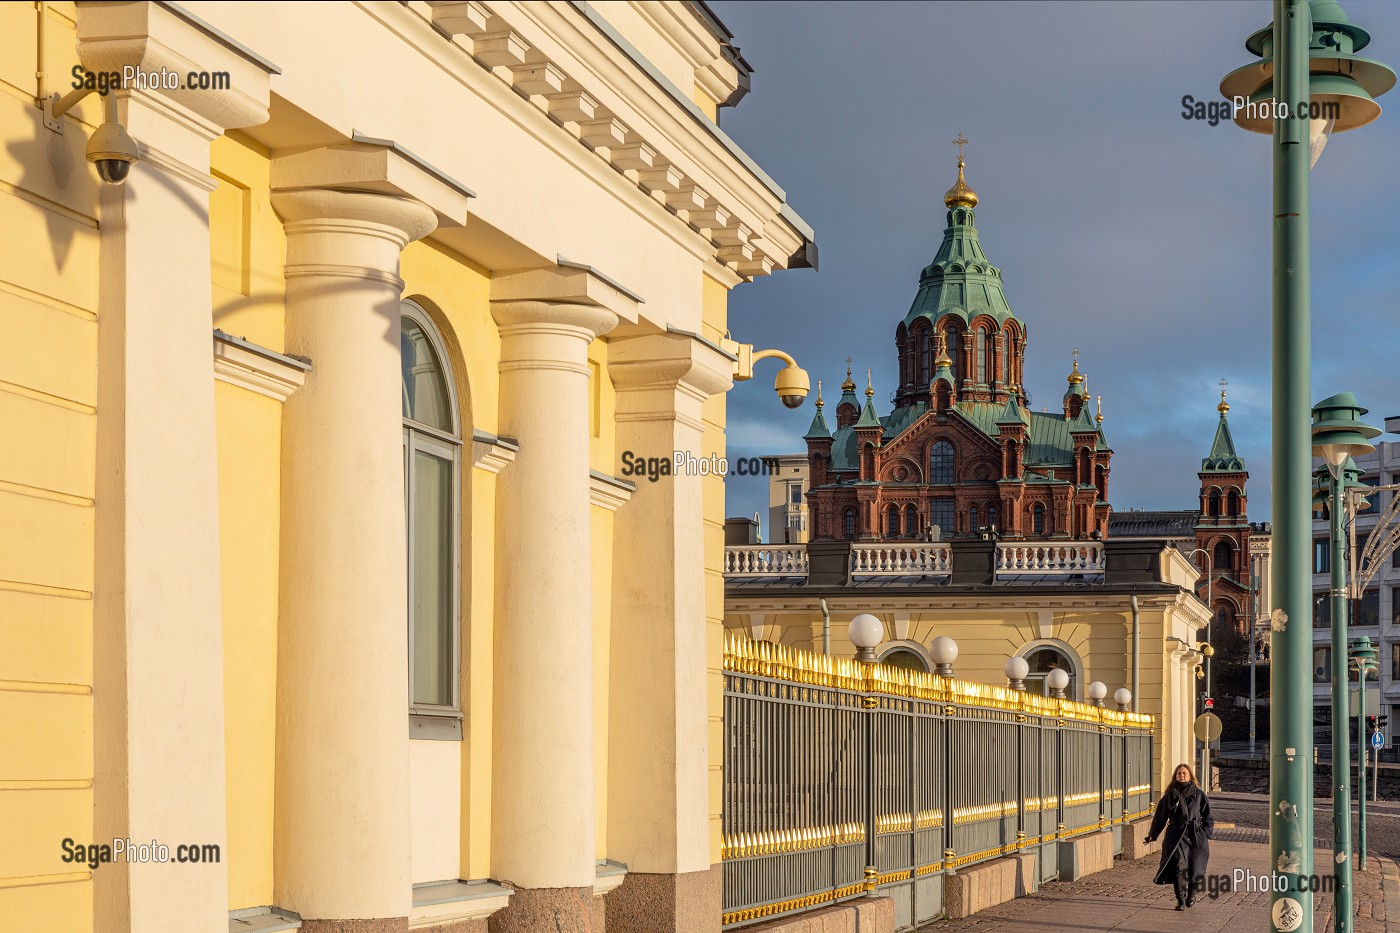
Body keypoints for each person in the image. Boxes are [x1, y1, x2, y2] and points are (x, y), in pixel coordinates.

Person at [1144, 762, 1213, 909]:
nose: (1181, 775)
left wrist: (1205, 833)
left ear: (1190, 776)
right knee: (1178, 867)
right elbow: (1160, 816)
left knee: (1196, 867)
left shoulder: (1199, 794)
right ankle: (1180, 900)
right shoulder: (1170, 795)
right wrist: (1153, 834)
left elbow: (1208, 816)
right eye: (1179, 773)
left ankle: (1191, 895)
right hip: (1175, 835)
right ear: (1175, 776)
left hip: (1195, 836)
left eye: (1184, 773)